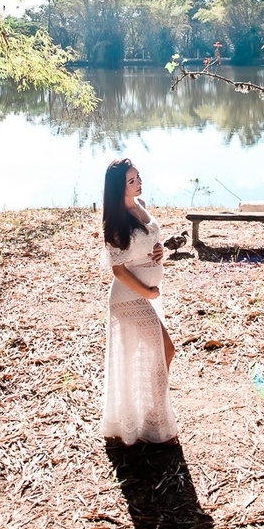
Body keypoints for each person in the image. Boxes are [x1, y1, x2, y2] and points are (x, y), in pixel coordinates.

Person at [101, 157, 178, 445]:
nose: (138, 183)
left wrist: (156, 251)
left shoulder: (140, 206)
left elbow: (144, 243)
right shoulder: (116, 221)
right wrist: (147, 293)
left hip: (145, 294)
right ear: (118, 188)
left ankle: (149, 418)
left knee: (156, 353)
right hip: (129, 298)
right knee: (165, 350)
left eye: (138, 177)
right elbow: (119, 269)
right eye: (131, 181)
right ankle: (156, 423)